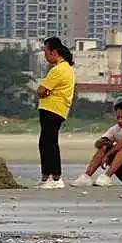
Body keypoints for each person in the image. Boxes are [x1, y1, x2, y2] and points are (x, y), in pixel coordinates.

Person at [71, 101, 122, 187]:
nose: (120, 121)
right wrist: (103, 142)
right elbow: (99, 143)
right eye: (118, 117)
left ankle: (107, 177)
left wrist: (107, 156)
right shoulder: (116, 129)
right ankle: (87, 176)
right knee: (104, 146)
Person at [36, 37, 75, 189]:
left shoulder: (58, 70)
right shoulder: (66, 68)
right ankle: (46, 177)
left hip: (53, 108)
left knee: (49, 143)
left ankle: (56, 177)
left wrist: (45, 92)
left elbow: (40, 91)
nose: (45, 55)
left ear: (53, 52)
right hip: (54, 109)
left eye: (46, 51)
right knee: (45, 142)